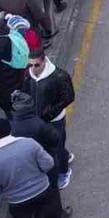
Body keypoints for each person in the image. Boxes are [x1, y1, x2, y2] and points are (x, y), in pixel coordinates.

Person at [22, 49, 75, 190]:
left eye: (36, 65)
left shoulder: (59, 76)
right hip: (38, 119)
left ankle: (64, 172)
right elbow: (26, 92)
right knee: (49, 146)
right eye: (30, 65)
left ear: (44, 61)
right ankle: (65, 155)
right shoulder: (29, 74)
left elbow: (68, 97)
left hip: (55, 120)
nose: (33, 68)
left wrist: (49, 113)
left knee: (57, 146)